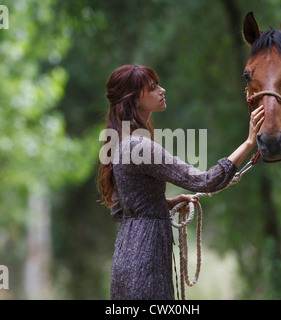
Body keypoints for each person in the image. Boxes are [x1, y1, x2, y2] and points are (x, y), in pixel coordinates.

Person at [97, 64, 264, 300]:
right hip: (146, 261)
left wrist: (166, 203)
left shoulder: (120, 142)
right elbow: (205, 181)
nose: (162, 90)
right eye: (153, 88)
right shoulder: (139, 146)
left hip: (127, 257)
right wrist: (249, 142)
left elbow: (121, 205)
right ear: (134, 100)